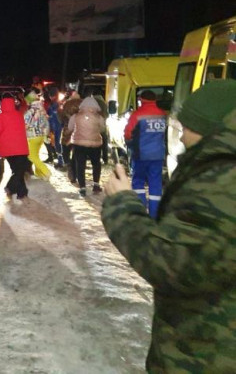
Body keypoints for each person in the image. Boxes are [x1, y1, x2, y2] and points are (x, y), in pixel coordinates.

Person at [102, 80, 236, 373]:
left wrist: (122, 204)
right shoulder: (217, 170)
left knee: (139, 184)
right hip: (210, 345)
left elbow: (170, 263)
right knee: (154, 187)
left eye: (187, 127)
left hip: (207, 355)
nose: (182, 135)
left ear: (211, 129)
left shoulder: (222, 183)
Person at [124, 89, 167, 217]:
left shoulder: (137, 115)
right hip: (158, 155)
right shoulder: (162, 114)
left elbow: (128, 133)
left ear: (141, 100)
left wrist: (130, 143)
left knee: (138, 182)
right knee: (155, 184)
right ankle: (154, 214)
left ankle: (141, 211)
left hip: (141, 155)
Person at [0, 95, 31, 200]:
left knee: (17, 170)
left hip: (8, 149)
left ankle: (22, 192)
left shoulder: (0, 117)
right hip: (21, 148)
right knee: (19, 171)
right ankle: (11, 187)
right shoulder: (19, 115)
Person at [68, 95, 105, 196]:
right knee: (96, 164)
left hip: (79, 144)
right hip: (95, 144)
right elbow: (102, 129)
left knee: (80, 165)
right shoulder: (99, 117)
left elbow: (70, 127)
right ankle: (96, 185)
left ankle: (82, 187)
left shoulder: (75, 116)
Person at [24, 91, 51, 181]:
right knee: (36, 155)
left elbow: (25, 125)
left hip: (33, 136)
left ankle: (46, 172)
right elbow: (46, 124)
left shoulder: (29, 113)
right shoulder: (42, 111)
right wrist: (46, 135)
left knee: (31, 156)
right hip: (41, 136)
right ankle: (40, 174)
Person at [59, 90, 81, 179]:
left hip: (68, 129)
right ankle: (75, 168)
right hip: (80, 130)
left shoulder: (67, 104)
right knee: (77, 150)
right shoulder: (83, 104)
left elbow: (61, 117)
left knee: (66, 148)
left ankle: (68, 164)